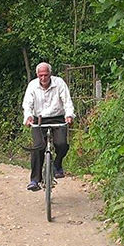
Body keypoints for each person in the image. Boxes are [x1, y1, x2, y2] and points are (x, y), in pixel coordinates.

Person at [22, 62, 74, 191]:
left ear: (50, 74)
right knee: (38, 147)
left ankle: (57, 165)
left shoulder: (59, 83)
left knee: (62, 144)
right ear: (37, 75)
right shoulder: (32, 85)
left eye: (46, 75)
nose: (43, 78)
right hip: (39, 119)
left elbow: (67, 101)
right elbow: (27, 104)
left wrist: (69, 115)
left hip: (57, 117)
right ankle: (35, 180)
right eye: (41, 75)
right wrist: (28, 116)